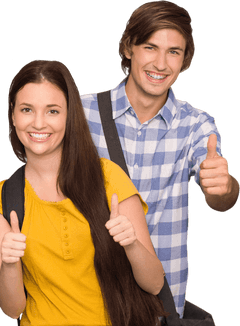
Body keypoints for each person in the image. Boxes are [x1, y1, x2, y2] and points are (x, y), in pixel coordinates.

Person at [80, 0, 240, 318]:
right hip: (87, 295)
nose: (161, 64)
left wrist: (223, 187)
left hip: (161, 305)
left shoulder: (197, 125)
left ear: (185, 59)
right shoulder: (81, 114)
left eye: (174, 52)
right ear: (129, 48)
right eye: (150, 47)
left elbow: (221, 199)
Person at [0, 59, 165, 326]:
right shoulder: (2, 199)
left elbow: (154, 284)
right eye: (26, 110)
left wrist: (131, 244)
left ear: (70, 115)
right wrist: (10, 265)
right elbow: (12, 309)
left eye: (53, 111)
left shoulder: (109, 178)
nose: (38, 123)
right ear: (13, 115)